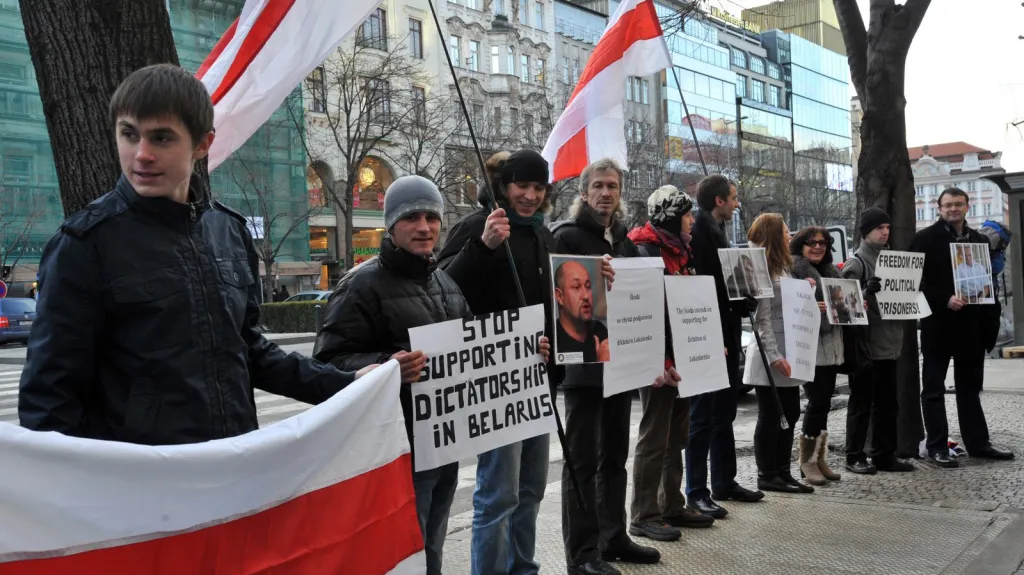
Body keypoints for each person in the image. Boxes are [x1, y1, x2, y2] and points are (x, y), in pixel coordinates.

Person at [18, 64, 369, 444]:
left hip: (233, 462)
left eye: (162, 138)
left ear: (202, 143)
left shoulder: (230, 231)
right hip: (140, 483)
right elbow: (48, 398)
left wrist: (347, 384)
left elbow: (249, 351)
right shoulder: (83, 244)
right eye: (129, 134)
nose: (142, 154)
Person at [313, 176, 519, 575]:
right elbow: (328, 361)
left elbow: (471, 349)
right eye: (411, 218)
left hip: (442, 445)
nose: (424, 227)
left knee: (431, 540)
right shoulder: (359, 285)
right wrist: (389, 366)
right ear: (391, 225)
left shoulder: (444, 281)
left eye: (431, 217)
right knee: (404, 545)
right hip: (396, 446)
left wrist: (522, 355)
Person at [436, 149, 558, 575]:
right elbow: (442, 287)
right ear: (504, 186)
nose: (528, 195)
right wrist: (484, 247)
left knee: (531, 489)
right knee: (498, 494)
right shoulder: (476, 225)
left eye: (537, 187)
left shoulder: (543, 235)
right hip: (495, 383)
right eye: (521, 185)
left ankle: (522, 567)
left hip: (537, 380)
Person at [551, 158, 664, 575]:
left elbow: (642, 296)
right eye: (597, 185)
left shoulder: (623, 239)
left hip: (622, 364)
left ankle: (612, 536)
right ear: (584, 192)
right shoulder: (565, 236)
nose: (605, 193)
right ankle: (581, 555)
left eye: (612, 186)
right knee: (581, 463)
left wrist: (655, 357)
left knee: (614, 457)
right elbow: (554, 295)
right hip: (584, 367)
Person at [626, 185, 714, 544]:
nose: (691, 221)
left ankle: (671, 503)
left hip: (681, 361)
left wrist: (705, 346)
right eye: (686, 215)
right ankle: (644, 514)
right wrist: (661, 361)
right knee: (654, 437)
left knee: (676, 435)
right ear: (671, 217)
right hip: (659, 365)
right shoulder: (645, 251)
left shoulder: (679, 251)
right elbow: (644, 314)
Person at [909, 188, 1013, 467]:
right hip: (938, 325)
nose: (953, 209)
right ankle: (937, 447)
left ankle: (979, 444)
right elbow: (912, 282)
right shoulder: (924, 239)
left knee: (969, 389)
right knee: (933, 389)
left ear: (967, 206)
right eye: (948, 205)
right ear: (938, 208)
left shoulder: (978, 240)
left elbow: (987, 281)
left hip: (971, 327)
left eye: (958, 204)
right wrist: (944, 300)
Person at [685, 174, 763, 520]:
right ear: (719, 200)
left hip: (727, 332)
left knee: (724, 414)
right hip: (711, 336)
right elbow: (705, 288)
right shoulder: (700, 232)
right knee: (703, 416)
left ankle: (724, 481)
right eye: (733, 198)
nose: (736, 203)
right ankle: (697, 491)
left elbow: (723, 285)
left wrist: (741, 296)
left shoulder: (717, 232)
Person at [744, 214, 815, 494]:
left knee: (791, 413)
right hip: (771, 353)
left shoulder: (781, 267)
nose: (789, 235)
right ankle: (768, 474)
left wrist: (803, 290)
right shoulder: (760, 268)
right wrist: (773, 356)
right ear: (774, 235)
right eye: (786, 231)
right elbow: (762, 320)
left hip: (789, 349)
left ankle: (783, 472)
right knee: (771, 415)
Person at [840, 208, 914, 474]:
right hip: (867, 347)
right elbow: (844, 305)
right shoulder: (857, 263)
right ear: (865, 232)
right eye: (878, 228)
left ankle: (884, 454)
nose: (884, 232)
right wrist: (864, 291)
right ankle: (854, 455)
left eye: (887, 227)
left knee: (887, 403)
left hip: (890, 343)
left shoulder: (893, 260)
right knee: (861, 403)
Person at [789, 226, 846, 485]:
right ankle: (806, 462)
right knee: (816, 403)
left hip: (831, 346)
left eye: (823, 243)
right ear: (800, 245)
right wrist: (812, 306)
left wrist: (854, 305)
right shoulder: (795, 272)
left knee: (824, 404)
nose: (818, 246)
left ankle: (819, 457)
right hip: (809, 348)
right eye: (811, 242)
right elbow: (790, 310)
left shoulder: (832, 272)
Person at [554, 259, 610, 362]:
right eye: (576, 287)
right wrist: (602, 363)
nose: (586, 296)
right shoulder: (552, 340)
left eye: (588, 287)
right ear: (560, 296)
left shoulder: (599, 331)